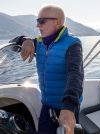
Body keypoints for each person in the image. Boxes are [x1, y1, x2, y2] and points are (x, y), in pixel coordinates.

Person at [10, 4, 84, 134]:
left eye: (42, 21)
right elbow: (12, 44)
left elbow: (76, 75)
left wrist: (69, 107)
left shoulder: (72, 43)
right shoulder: (38, 42)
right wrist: (25, 40)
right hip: (46, 105)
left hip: (66, 107)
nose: (38, 26)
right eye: (37, 21)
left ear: (58, 22)